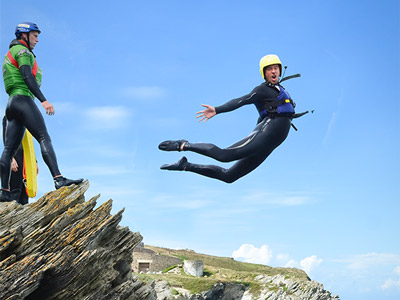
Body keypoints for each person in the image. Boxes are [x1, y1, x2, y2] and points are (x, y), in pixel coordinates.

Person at [159, 54, 304, 183]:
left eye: (275, 68)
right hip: (266, 135)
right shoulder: (262, 90)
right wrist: (217, 109)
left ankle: (185, 166)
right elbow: (241, 100)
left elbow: (265, 116)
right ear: (264, 73)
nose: (273, 71)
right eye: (269, 69)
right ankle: (183, 144)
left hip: (269, 144)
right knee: (224, 155)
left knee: (229, 176)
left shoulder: (281, 90)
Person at [0, 22, 83, 202]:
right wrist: (43, 100)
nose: (37, 39)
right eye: (35, 35)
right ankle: (59, 179)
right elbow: (27, 76)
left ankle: (4, 192)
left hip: (11, 103)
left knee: (8, 149)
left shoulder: (8, 54)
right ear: (24, 35)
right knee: (44, 137)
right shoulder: (23, 52)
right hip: (23, 99)